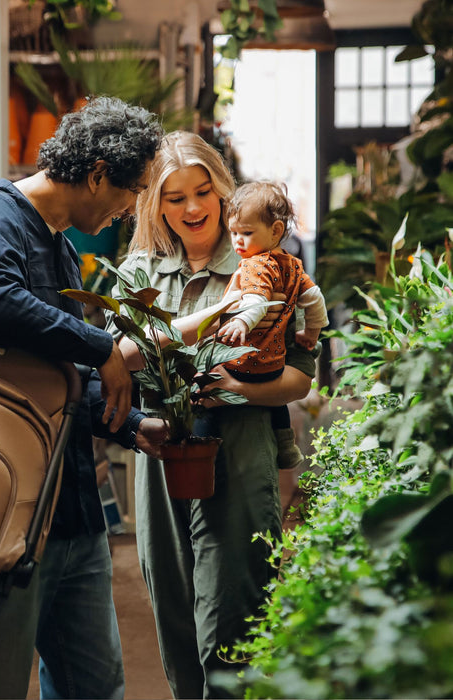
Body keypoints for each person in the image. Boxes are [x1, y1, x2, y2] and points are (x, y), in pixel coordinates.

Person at [0, 95, 168, 700]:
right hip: (2, 509)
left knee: (96, 688)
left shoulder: (60, 244)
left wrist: (129, 423)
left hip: (71, 515)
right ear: (96, 173)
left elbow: (54, 378)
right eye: (132, 190)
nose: (129, 208)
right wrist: (103, 347)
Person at [106, 131, 317, 699]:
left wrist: (237, 388)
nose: (193, 208)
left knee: (233, 619)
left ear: (224, 193)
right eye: (175, 197)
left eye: (203, 191)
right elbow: (113, 360)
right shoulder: (139, 273)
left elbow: (301, 376)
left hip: (242, 450)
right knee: (174, 612)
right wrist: (208, 321)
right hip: (161, 455)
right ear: (156, 204)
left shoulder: (267, 266)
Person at [216, 181, 329, 468]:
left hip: (245, 363)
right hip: (275, 364)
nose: (238, 241)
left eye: (247, 233)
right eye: (233, 233)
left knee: (207, 406)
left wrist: (242, 320)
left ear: (276, 231)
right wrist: (311, 332)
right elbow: (315, 298)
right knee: (275, 402)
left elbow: (255, 299)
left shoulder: (256, 265)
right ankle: (286, 445)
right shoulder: (292, 266)